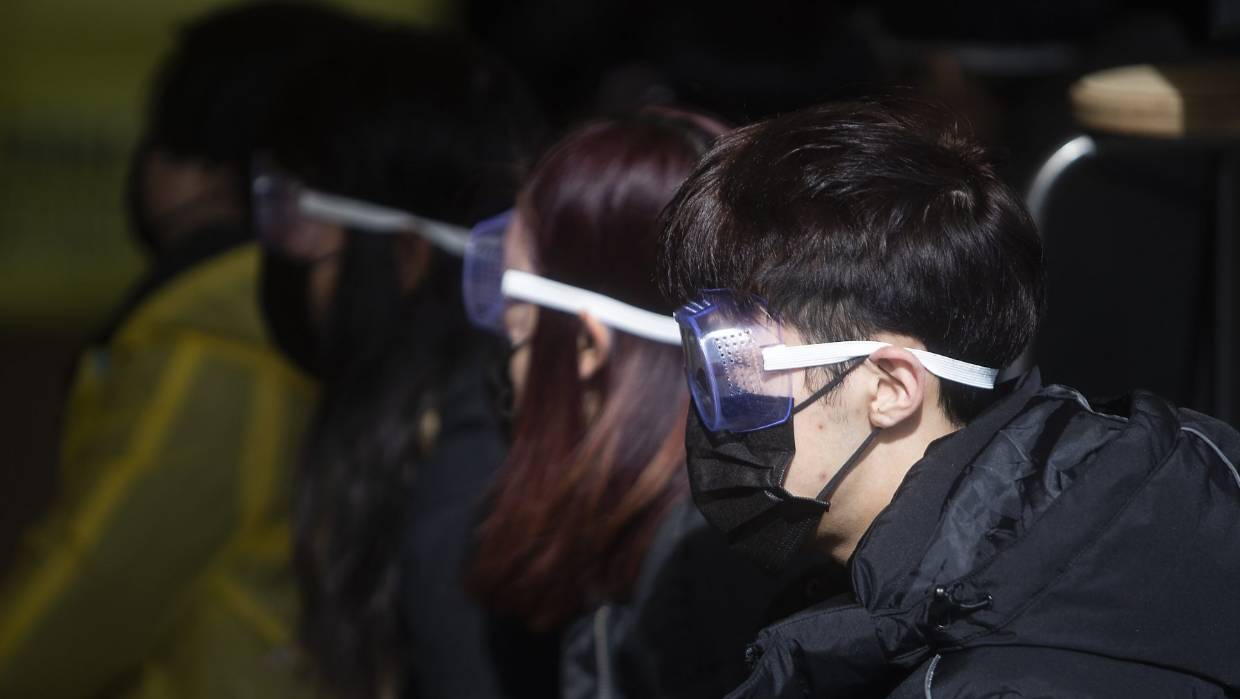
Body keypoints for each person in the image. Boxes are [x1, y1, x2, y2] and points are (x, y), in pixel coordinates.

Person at [659, 97, 1240, 697]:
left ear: (889, 387)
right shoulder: (1163, 482)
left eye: (733, 362)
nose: (704, 404)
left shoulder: (989, 676)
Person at [0, 4, 361, 697]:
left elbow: (96, 583)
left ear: (220, 172)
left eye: (166, 142)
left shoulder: (217, 342)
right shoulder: (303, 315)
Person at [467, 109, 835, 699]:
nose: (506, 369)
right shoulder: (770, 527)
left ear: (587, 344)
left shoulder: (699, 585)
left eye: (516, 331)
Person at [254, 23, 545, 699]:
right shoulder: (429, 428)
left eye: (296, 218)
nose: (272, 253)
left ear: (409, 252)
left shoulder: (472, 469)